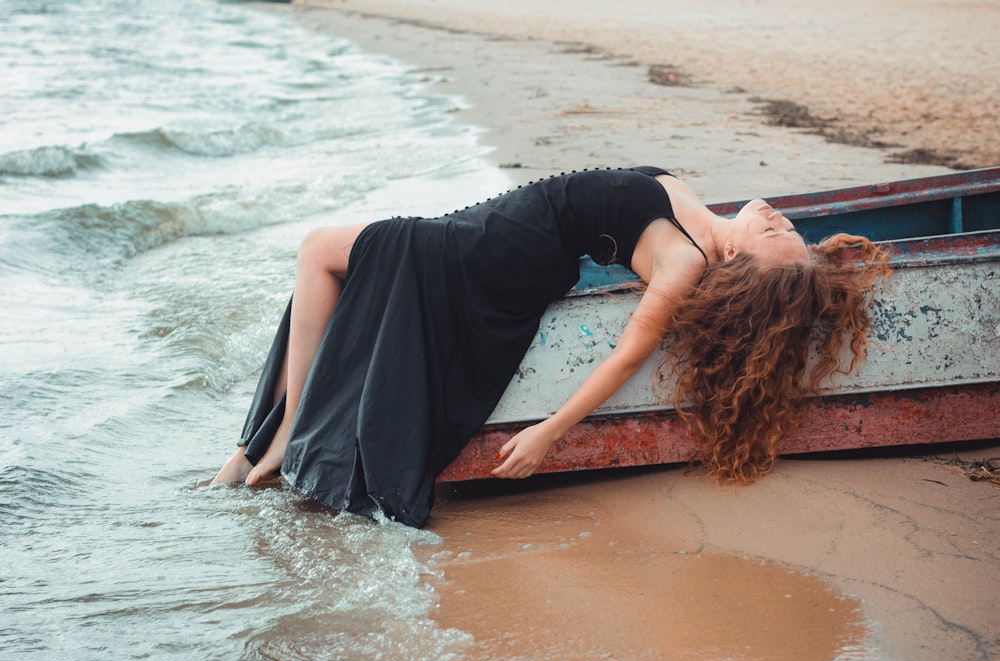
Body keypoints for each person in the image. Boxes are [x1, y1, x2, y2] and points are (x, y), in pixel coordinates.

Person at [212, 166, 887, 527]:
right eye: (789, 229)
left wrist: (548, 432)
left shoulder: (683, 263)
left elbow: (626, 354)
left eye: (777, 237)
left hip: (482, 256)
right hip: (488, 227)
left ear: (739, 257)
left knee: (318, 252)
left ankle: (290, 432)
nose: (779, 218)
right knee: (328, 270)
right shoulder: (700, 217)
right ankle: (257, 450)